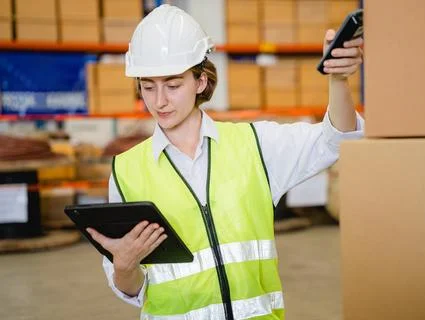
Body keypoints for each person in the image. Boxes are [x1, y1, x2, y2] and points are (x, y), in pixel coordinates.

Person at [86, 4, 364, 320]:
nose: (159, 100)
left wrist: (338, 80)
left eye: (173, 85)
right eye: (148, 86)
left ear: (201, 81)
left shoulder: (255, 146)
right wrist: (124, 265)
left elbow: (336, 139)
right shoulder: (126, 171)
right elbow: (134, 290)